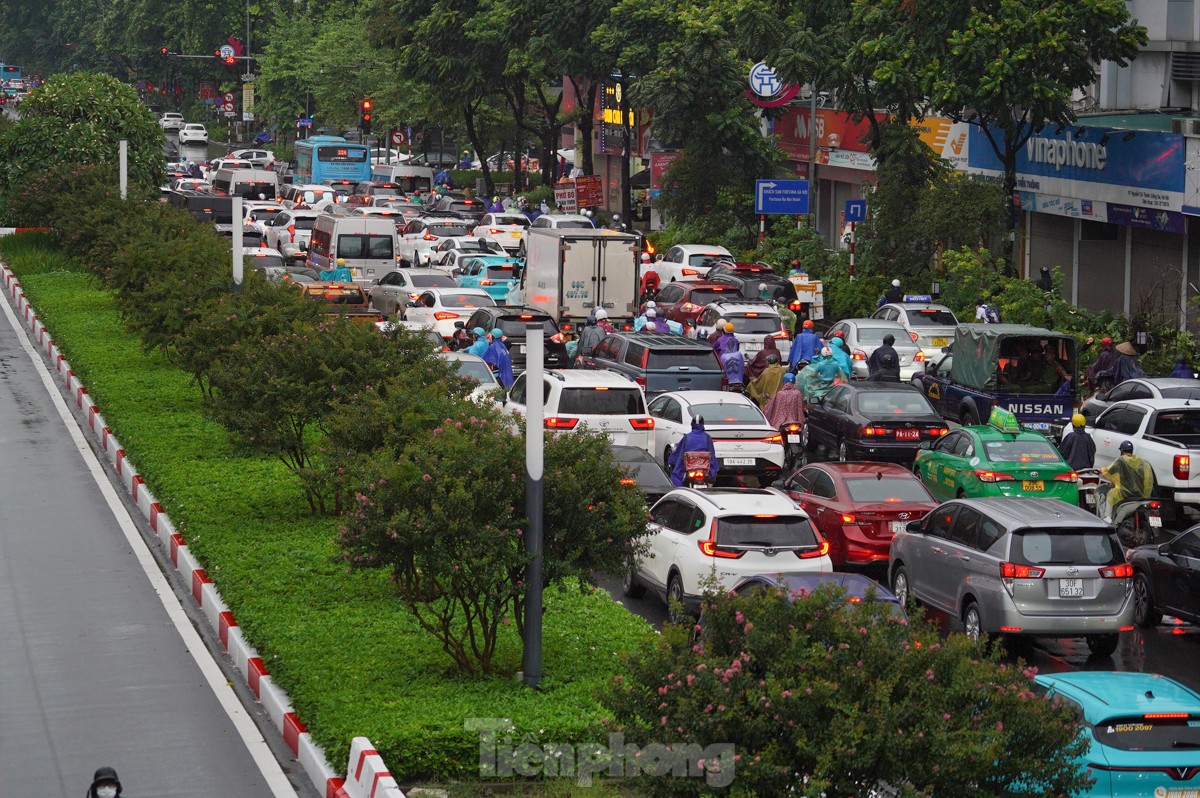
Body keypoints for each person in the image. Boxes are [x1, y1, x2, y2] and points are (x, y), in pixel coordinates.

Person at [1098, 440, 1155, 524]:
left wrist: (1101, 470)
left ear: (1121, 451)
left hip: (1124, 493)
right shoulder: (1142, 462)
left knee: (1111, 494)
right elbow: (1148, 481)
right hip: (1140, 495)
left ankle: (1107, 518)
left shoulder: (1121, 460)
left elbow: (1109, 471)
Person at [668, 417, 718, 486]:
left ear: (692, 424)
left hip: (689, 468)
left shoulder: (687, 437)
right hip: (704, 468)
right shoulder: (707, 437)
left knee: (676, 475)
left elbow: (678, 452)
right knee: (712, 473)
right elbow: (712, 454)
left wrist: (671, 460)